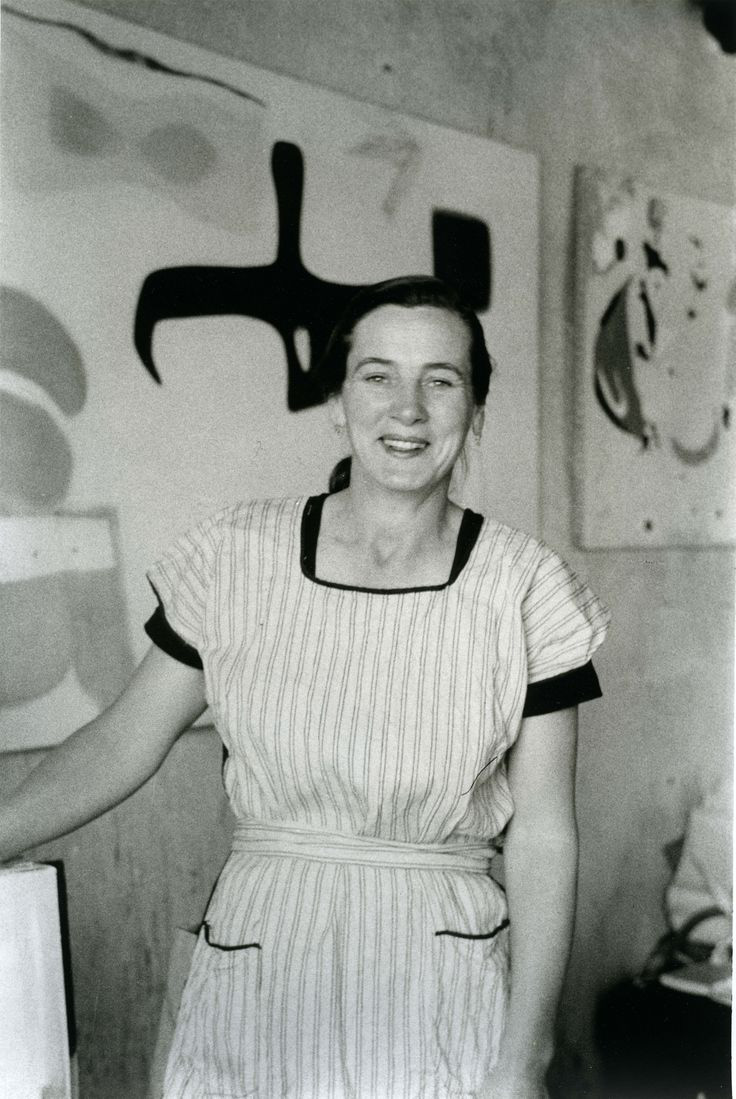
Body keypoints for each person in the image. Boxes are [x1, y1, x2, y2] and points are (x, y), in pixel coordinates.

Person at [0, 275, 610, 1099]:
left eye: (442, 379)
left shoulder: (527, 588)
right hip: (260, 962)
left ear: (475, 411)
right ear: (335, 399)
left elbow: (543, 837)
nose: (408, 407)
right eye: (377, 374)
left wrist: (522, 1057)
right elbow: (121, 741)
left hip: (438, 977)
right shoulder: (236, 557)